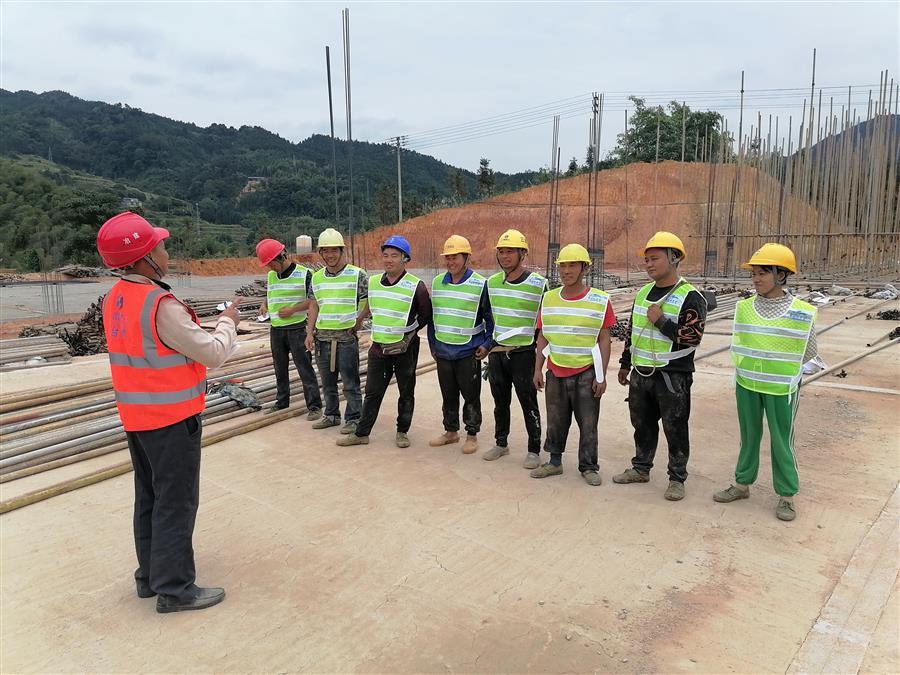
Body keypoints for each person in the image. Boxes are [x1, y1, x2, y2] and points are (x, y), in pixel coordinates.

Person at [97, 211, 240, 613]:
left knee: (149, 497)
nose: (165, 251)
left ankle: (150, 577)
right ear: (145, 258)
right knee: (176, 503)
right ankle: (175, 589)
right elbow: (212, 353)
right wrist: (227, 322)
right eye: (160, 246)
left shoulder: (115, 297)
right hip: (172, 420)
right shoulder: (159, 303)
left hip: (137, 418)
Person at [713, 243, 819, 522]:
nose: (756, 279)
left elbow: (809, 351)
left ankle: (787, 495)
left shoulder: (802, 312)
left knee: (782, 440)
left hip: (781, 387)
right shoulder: (744, 308)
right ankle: (742, 484)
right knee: (748, 436)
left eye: (762, 273)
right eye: (754, 274)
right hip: (747, 383)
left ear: (781, 275)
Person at [612, 232, 708, 501]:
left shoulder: (691, 296)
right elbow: (633, 331)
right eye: (647, 260)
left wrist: (662, 322)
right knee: (641, 424)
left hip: (672, 375)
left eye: (654, 258)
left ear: (674, 258)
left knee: (675, 426)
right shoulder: (643, 293)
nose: (649, 264)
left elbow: (693, 337)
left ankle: (677, 478)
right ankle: (641, 467)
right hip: (641, 373)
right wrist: (625, 363)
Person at [531, 244, 615, 486]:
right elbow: (543, 336)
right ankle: (554, 462)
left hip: (586, 372)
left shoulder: (599, 301)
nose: (566, 271)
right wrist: (538, 369)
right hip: (556, 370)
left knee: (588, 422)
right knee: (555, 419)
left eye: (572, 265)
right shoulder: (549, 299)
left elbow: (604, 339)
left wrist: (601, 376)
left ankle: (589, 466)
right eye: (563, 266)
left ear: (585, 268)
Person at [337, 236, 432, 448]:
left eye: (394, 256)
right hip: (379, 348)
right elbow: (371, 304)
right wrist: (360, 319)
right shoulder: (373, 282)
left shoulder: (416, 286)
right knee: (372, 392)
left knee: (406, 392)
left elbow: (426, 315)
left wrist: (409, 336)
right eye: (386, 255)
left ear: (405, 259)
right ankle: (362, 433)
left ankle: (402, 431)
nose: (389, 260)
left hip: (405, 349)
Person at [483, 229, 547, 469]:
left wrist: (541, 360)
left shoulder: (538, 284)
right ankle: (501, 443)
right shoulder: (491, 283)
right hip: (498, 354)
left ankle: (533, 450)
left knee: (528, 402)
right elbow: (487, 316)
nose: (505, 256)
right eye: (501, 252)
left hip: (524, 353)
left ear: (523, 254)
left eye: (510, 251)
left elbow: (545, 323)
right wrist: (488, 345)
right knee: (500, 402)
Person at [428, 235, 494, 454]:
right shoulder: (438, 282)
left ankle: (472, 434)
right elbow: (434, 317)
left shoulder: (480, 284)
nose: (450, 262)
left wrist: (487, 344)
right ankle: (451, 432)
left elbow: (490, 319)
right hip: (443, 350)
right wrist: (433, 344)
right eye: (447, 258)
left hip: (468, 350)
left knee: (471, 395)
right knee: (448, 394)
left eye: (455, 257)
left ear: (466, 257)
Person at [304, 228, 368, 434]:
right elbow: (314, 305)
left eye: (334, 250)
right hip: (322, 338)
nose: (329, 255)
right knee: (327, 382)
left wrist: (359, 320)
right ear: (320, 253)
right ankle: (331, 415)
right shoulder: (317, 278)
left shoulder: (357, 275)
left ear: (342, 251)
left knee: (350, 383)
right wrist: (309, 332)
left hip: (345, 338)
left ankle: (354, 418)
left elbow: (369, 300)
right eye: (325, 251)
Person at [255, 238, 323, 419]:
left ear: (281, 257)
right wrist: (264, 304)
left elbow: (313, 301)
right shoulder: (272, 276)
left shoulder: (305, 274)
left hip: (297, 329)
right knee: (280, 368)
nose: (270, 268)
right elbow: (271, 293)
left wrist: (293, 310)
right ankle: (282, 401)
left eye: (271, 264)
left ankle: (314, 406)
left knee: (304, 368)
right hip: (276, 329)